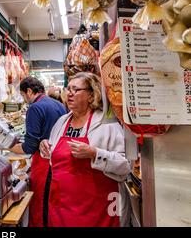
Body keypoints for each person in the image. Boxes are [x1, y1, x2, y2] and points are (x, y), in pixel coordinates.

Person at [40, 72, 131, 227]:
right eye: (68, 89)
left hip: (98, 208)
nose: (69, 93)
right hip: (62, 206)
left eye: (76, 89)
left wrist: (95, 153)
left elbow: (125, 166)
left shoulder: (106, 123)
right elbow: (55, 158)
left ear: (91, 95)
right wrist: (46, 146)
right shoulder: (62, 122)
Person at [9, 76, 66, 227]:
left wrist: (6, 146)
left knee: (41, 205)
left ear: (29, 91)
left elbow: (30, 147)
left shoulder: (35, 108)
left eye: (22, 95)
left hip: (45, 164)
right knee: (53, 205)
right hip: (60, 162)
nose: (24, 99)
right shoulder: (58, 104)